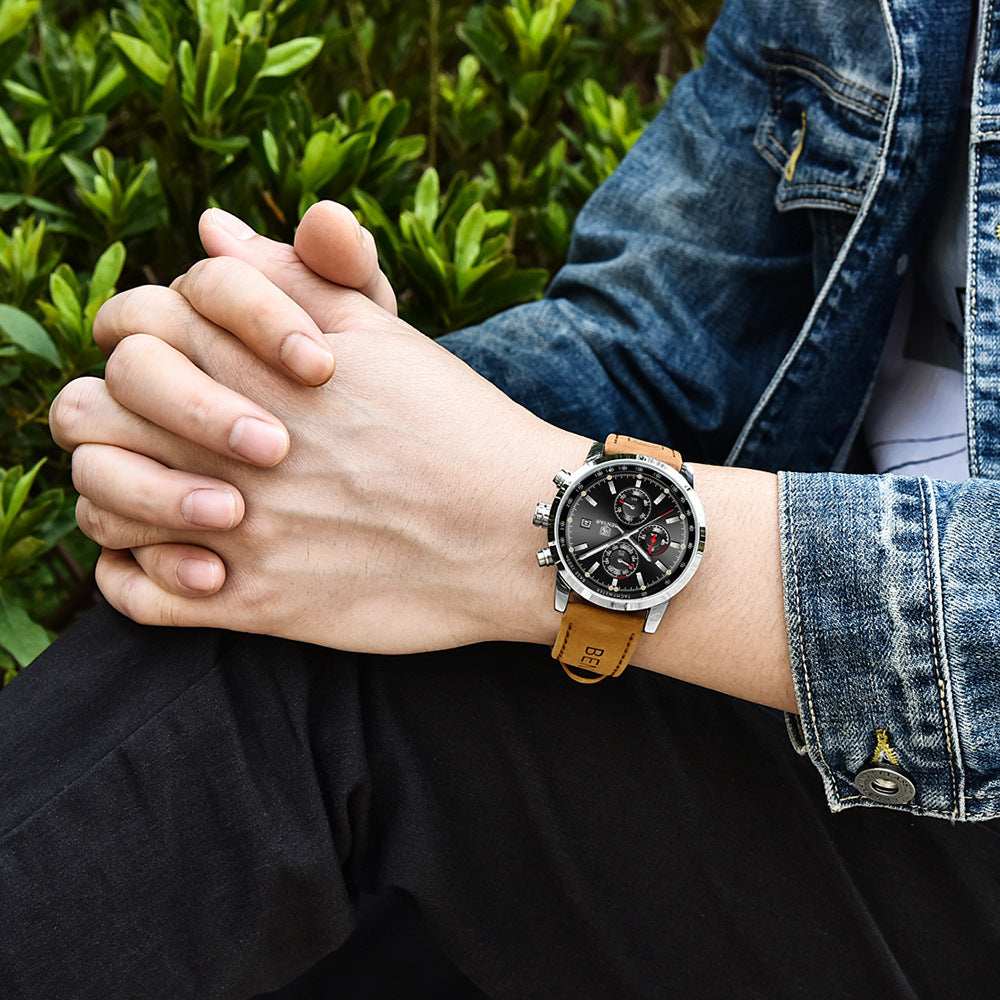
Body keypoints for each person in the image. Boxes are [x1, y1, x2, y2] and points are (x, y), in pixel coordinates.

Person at [3, 0, 1000, 997]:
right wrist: (329, 410)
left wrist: (499, 517)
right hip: (804, 749)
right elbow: (661, 344)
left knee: (334, 689)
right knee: (312, 604)